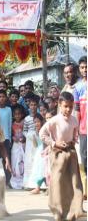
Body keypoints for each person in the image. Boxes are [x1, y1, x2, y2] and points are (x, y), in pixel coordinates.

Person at [39, 92, 85, 221]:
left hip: (70, 153)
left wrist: (73, 141)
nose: (68, 109)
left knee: (74, 182)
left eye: (71, 106)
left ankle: (74, 210)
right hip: (58, 154)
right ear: (59, 105)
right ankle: (57, 211)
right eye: (65, 106)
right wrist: (54, 143)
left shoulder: (74, 119)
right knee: (57, 182)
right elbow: (42, 133)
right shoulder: (54, 120)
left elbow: (75, 132)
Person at [74, 56, 87, 199]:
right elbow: (77, 109)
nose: (85, 70)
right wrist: (76, 128)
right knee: (84, 159)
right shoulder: (77, 87)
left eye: (86, 67)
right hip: (84, 129)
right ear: (79, 69)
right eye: (82, 67)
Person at [23, 94, 39, 189]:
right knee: (29, 160)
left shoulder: (39, 117)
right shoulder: (26, 119)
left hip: (38, 139)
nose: (33, 107)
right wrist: (29, 136)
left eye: (34, 105)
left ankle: (37, 183)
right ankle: (28, 183)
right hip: (29, 141)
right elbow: (24, 130)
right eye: (31, 105)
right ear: (29, 106)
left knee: (37, 160)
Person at [0, 90, 12, 185]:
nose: (2, 98)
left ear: (6, 98)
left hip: (6, 138)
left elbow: (9, 124)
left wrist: (9, 138)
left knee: (7, 159)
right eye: (0, 96)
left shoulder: (9, 109)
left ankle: (8, 180)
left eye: (3, 96)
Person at [29, 114, 47, 194]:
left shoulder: (45, 130)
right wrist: (33, 139)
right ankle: (38, 187)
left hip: (45, 151)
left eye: (38, 122)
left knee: (45, 170)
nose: (36, 124)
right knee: (39, 170)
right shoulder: (35, 132)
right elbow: (36, 145)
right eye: (35, 122)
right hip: (38, 153)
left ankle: (46, 187)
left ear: (42, 121)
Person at [10, 105, 25, 189]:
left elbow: (25, 133)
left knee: (21, 161)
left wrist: (23, 139)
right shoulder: (12, 124)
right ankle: (15, 180)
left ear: (22, 114)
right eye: (15, 114)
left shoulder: (23, 123)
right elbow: (12, 134)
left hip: (22, 144)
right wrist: (13, 138)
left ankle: (22, 180)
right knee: (15, 160)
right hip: (15, 145)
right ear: (13, 115)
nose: (17, 116)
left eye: (19, 114)